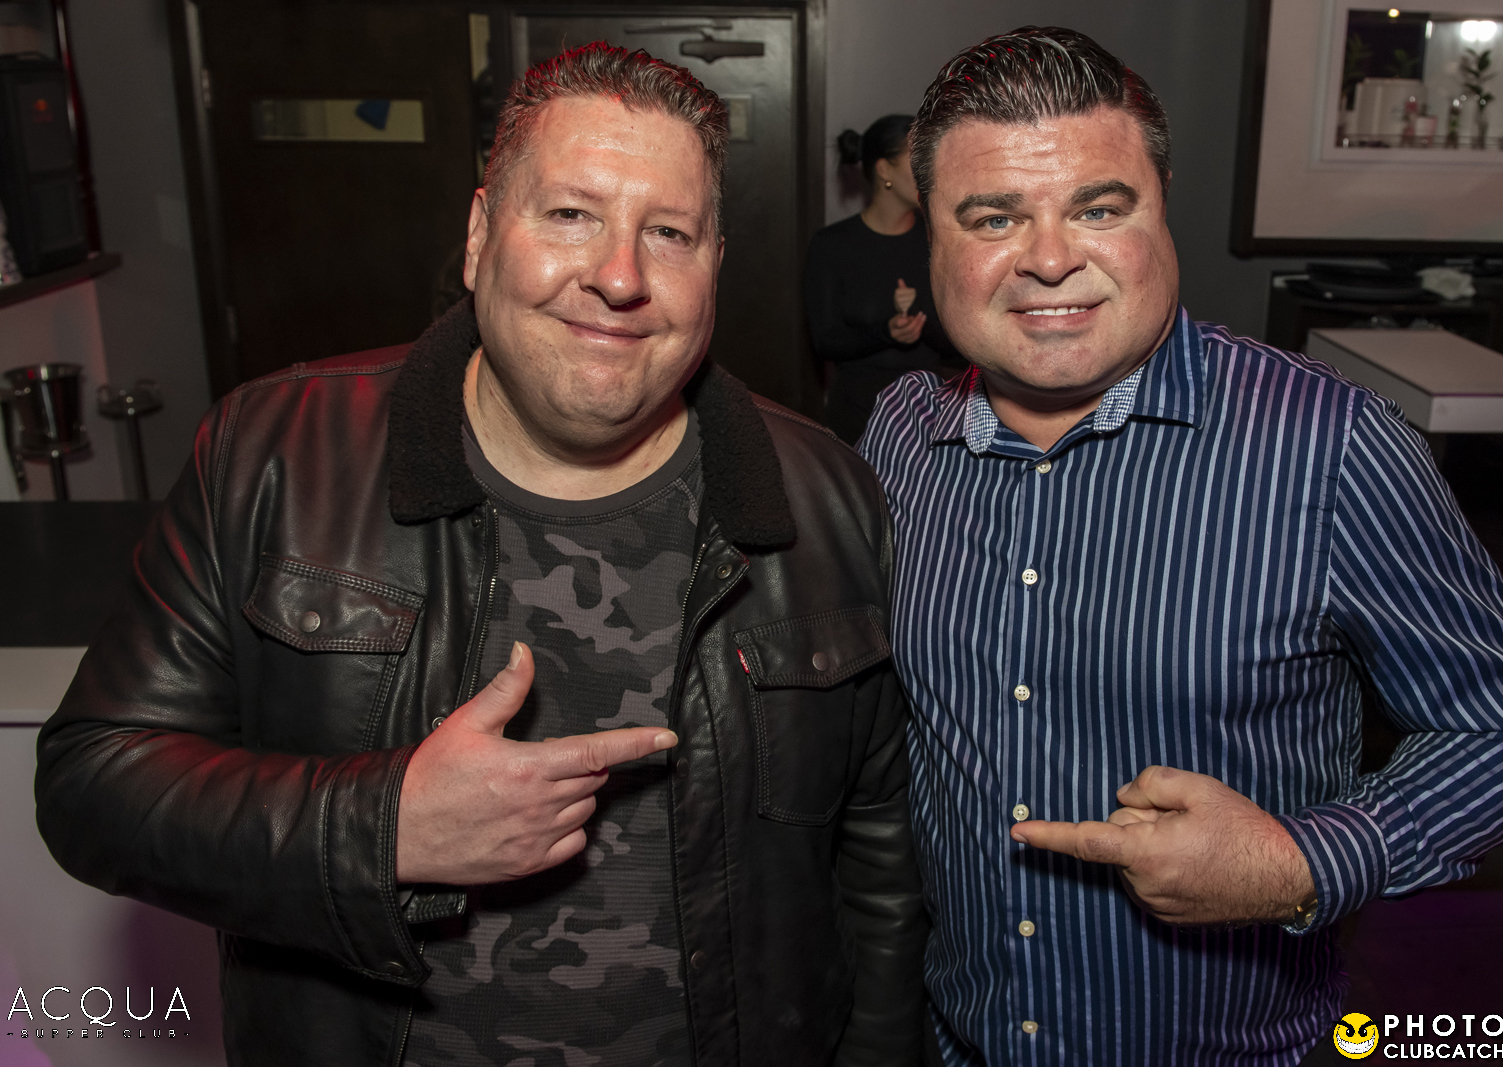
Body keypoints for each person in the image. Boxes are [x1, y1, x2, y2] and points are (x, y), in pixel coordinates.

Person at [36, 42, 925, 1067]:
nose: (620, 275)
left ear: (714, 267)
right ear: (477, 236)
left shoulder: (824, 497)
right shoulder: (271, 456)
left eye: (668, 233)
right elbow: (94, 782)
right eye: (570, 214)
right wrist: (387, 827)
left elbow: (880, 868)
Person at [856, 25, 1503, 1066]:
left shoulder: (1329, 446)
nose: (1050, 257)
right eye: (994, 217)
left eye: (1099, 208)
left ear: (1162, 211)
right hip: (956, 1040)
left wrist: (1302, 859)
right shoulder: (899, 437)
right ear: (929, 244)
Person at [805, 115, 959, 445]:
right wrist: (886, 331)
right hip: (857, 416)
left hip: (931, 416)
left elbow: (963, 342)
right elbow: (825, 341)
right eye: (916, 159)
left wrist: (918, 314)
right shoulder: (832, 245)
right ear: (884, 170)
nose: (929, 170)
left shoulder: (939, 240)